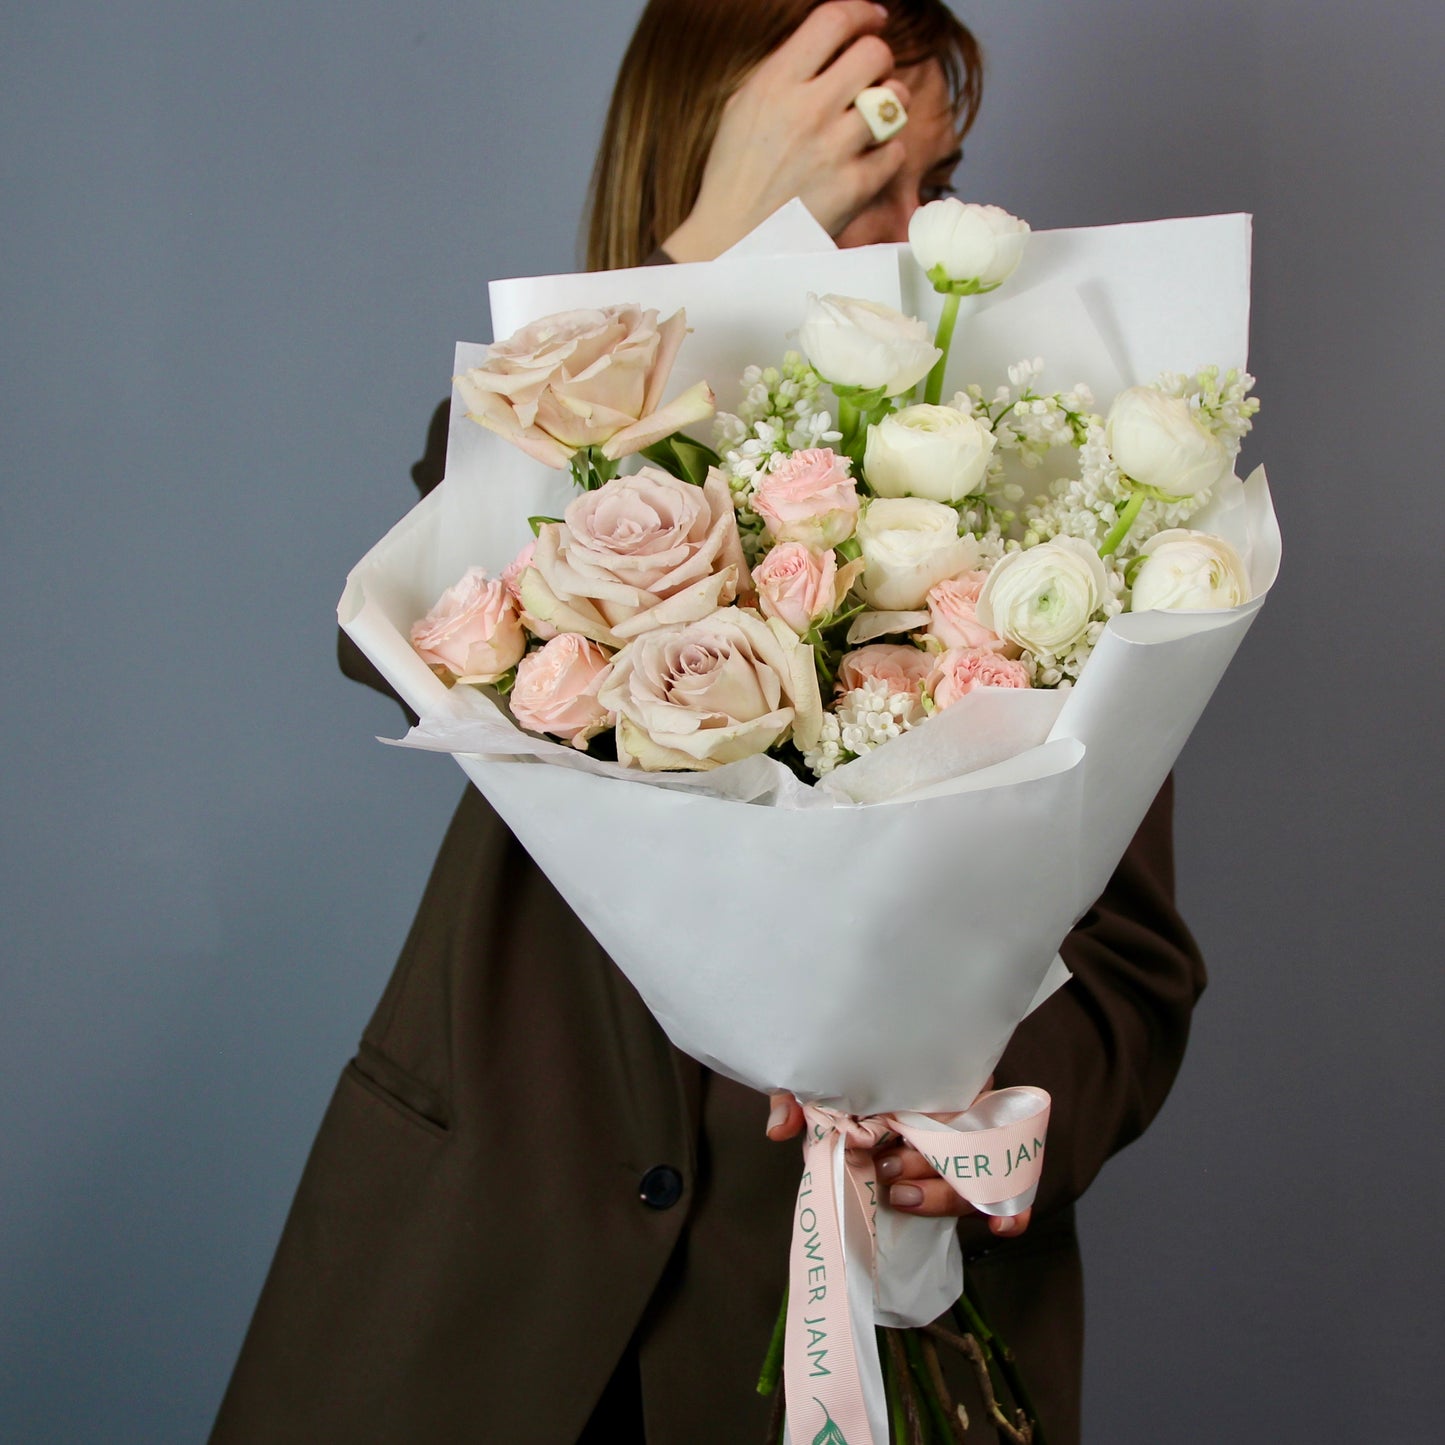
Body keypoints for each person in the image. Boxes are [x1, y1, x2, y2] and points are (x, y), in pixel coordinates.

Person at [210, 4, 1205, 1442]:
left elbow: (1134, 963)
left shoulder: (1050, 506)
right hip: (476, 1273)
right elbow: (417, 603)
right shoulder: (579, 442)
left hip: (854, 1317)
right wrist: (717, 253)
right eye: (861, 194)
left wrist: (1000, 1112)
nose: (917, 239)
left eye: (940, 183)